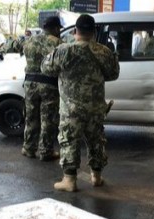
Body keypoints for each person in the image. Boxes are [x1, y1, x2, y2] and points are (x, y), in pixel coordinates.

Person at [42, 14, 119, 192]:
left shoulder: (64, 50)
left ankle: (69, 180)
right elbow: (113, 74)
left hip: (71, 109)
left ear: (75, 31)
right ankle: (97, 177)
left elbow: (46, 68)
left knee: (69, 140)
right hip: (95, 108)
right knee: (96, 141)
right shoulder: (104, 52)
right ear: (93, 32)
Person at [21, 16, 63, 161]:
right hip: (48, 85)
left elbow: (13, 47)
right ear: (56, 28)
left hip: (30, 84)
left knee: (31, 117)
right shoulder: (57, 43)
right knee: (48, 119)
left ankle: (28, 148)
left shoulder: (30, 40)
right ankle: (45, 151)